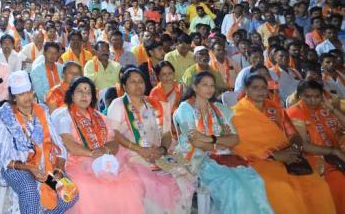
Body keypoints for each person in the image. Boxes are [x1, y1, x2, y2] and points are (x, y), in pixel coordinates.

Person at [232, 73, 336, 214]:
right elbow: (242, 147)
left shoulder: (275, 108)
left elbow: (292, 133)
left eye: (263, 87)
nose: (261, 91)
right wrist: (274, 156)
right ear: (246, 89)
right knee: (283, 188)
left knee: (318, 185)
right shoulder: (237, 113)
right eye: (255, 88)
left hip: (288, 157)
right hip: (259, 161)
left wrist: (294, 147)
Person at [173, 71, 272, 213]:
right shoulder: (186, 109)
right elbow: (196, 142)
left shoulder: (219, 109)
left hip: (224, 156)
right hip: (198, 159)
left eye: (212, 85)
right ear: (195, 87)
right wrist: (220, 142)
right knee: (233, 186)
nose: (209, 89)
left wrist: (210, 138)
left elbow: (235, 139)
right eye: (204, 85)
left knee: (255, 182)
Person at [51, 76, 144, 214]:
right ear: (71, 94)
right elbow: (68, 142)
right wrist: (91, 153)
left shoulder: (100, 117)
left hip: (103, 158)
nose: (84, 95)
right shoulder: (63, 114)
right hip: (74, 162)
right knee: (87, 186)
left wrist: (105, 149)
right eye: (80, 91)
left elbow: (113, 142)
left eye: (88, 92)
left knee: (128, 183)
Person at [107, 67, 192, 214]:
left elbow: (167, 135)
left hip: (158, 153)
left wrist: (161, 150)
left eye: (140, 81)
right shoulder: (118, 104)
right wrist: (140, 150)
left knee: (184, 174)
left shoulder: (158, 105)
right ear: (125, 86)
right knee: (149, 183)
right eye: (132, 82)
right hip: (130, 153)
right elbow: (113, 133)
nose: (137, 84)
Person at [0, 70, 76, 214]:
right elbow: (4, 158)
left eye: (28, 92)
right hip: (17, 167)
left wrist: (58, 170)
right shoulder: (4, 116)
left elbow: (59, 145)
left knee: (69, 193)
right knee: (30, 191)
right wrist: (30, 168)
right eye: (21, 94)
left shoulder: (42, 111)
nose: (27, 97)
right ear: (13, 97)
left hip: (46, 168)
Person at [286, 79, 345, 213]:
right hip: (315, 159)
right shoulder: (295, 112)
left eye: (317, 96)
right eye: (308, 96)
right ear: (299, 95)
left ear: (322, 95)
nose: (313, 100)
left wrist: (332, 109)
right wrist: (334, 151)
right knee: (340, 182)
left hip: (338, 153)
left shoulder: (325, 108)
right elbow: (305, 146)